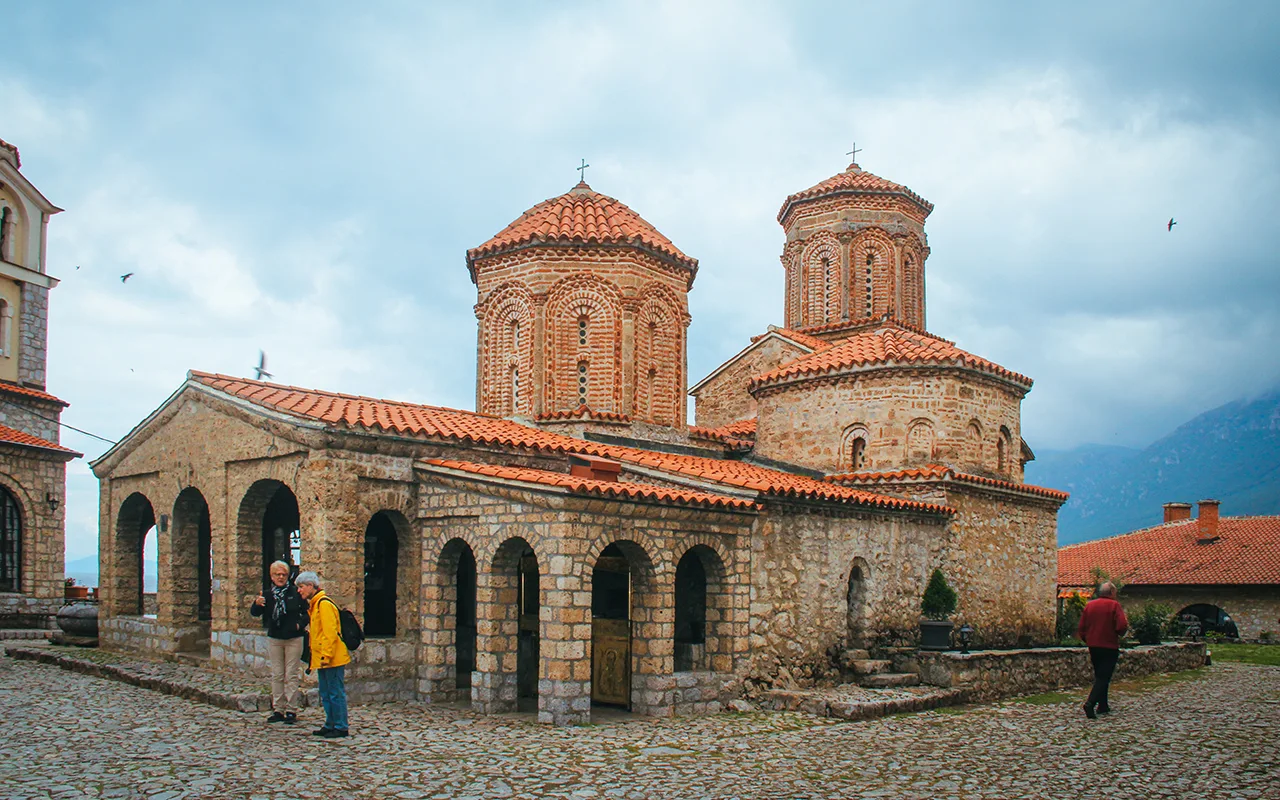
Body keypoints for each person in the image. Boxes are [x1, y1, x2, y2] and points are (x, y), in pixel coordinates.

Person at [250, 560, 308, 724]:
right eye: (277, 574)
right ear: (272, 576)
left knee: (291, 674)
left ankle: (291, 709)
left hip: (294, 638)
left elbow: (307, 612)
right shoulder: (267, 595)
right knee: (277, 674)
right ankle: (278, 709)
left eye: (283, 574)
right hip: (275, 638)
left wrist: (299, 625)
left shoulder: (295, 593)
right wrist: (256, 604)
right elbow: (255, 613)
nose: (281, 577)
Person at [294, 571, 350, 738]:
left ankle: (340, 726)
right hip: (323, 658)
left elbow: (329, 633)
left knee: (335, 692)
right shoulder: (316, 604)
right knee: (326, 693)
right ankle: (330, 723)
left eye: (301, 587)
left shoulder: (323, 604)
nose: (299, 590)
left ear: (311, 586)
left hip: (331, 658)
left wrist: (326, 656)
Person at [1077, 581, 1128, 719]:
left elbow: (1081, 627)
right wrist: (1120, 634)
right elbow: (1121, 625)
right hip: (1109, 645)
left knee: (1100, 674)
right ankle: (1090, 703)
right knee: (1104, 676)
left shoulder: (1090, 605)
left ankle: (1103, 705)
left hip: (1094, 646)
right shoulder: (1114, 605)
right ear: (1111, 592)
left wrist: (1088, 639)